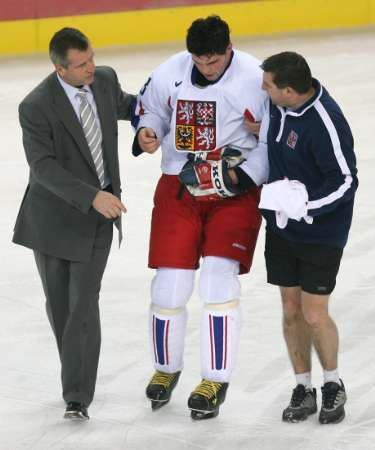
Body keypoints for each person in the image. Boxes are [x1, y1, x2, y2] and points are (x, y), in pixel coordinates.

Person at [132, 15, 269, 420]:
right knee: (168, 286)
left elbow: (270, 139)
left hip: (234, 191)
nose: (205, 69)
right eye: (199, 61)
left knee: (217, 281)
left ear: (229, 49)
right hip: (179, 185)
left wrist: (241, 177)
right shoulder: (170, 71)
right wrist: (147, 131)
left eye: (213, 61)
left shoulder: (255, 78)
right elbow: (150, 111)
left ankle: (215, 377)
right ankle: (165, 369)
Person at [13, 27, 135, 420]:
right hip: (51, 220)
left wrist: (146, 129)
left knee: (83, 303)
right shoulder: (36, 106)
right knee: (62, 307)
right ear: (59, 68)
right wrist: (90, 195)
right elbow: (42, 167)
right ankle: (76, 374)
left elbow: (128, 106)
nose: (91, 68)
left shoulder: (104, 80)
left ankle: (77, 396)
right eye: (81, 65)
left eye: (92, 59)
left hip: (99, 215)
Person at [238, 51, 358, 424]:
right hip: (282, 228)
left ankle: (333, 385)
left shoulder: (326, 122)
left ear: (289, 90)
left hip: (320, 232)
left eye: (268, 84)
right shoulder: (278, 108)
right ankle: (303, 387)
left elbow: (346, 181)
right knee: (290, 311)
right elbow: (274, 136)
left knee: (313, 313)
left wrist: (305, 206)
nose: (262, 88)